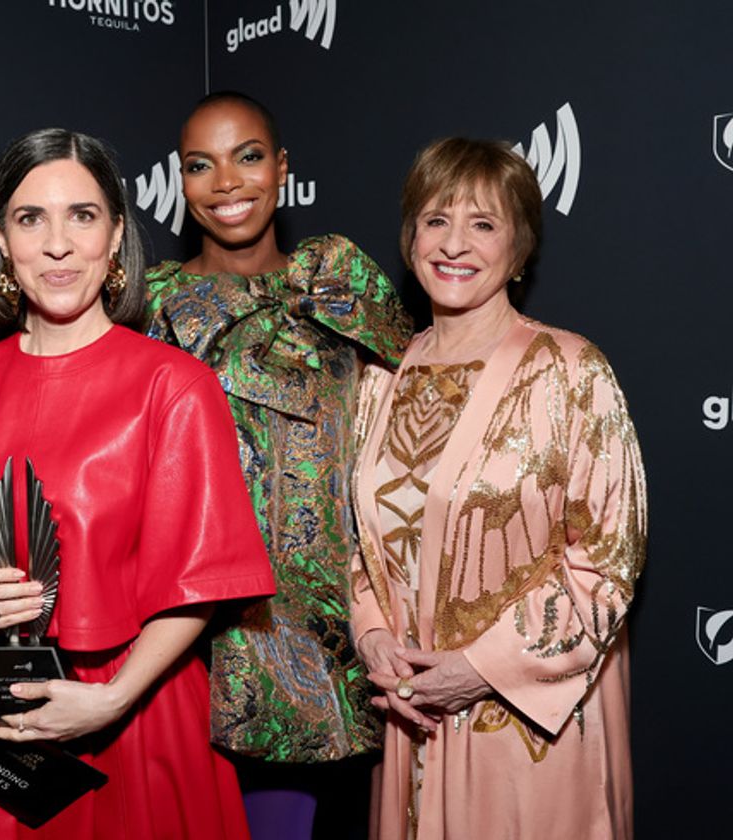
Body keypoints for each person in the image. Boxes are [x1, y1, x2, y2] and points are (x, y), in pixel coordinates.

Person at [0, 127, 276, 839]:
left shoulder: (174, 387)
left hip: (137, 708)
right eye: (30, 218)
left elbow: (203, 581)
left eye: (83, 215)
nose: (58, 244)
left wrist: (112, 700)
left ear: (116, 234)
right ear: (2, 240)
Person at [350, 137, 646, 839]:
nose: (455, 244)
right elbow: (361, 544)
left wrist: (478, 668)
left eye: (483, 224)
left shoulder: (572, 372)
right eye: (435, 220)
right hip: (411, 715)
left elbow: (606, 566)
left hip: (527, 729)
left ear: (520, 249)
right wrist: (371, 636)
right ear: (409, 237)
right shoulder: (378, 378)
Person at [144, 91, 412, 838]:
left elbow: (422, 423)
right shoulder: (149, 304)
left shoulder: (343, 280)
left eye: (249, 156)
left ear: (283, 167)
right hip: (195, 641)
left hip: (345, 639)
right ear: (180, 180)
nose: (227, 183)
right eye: (202, 165)